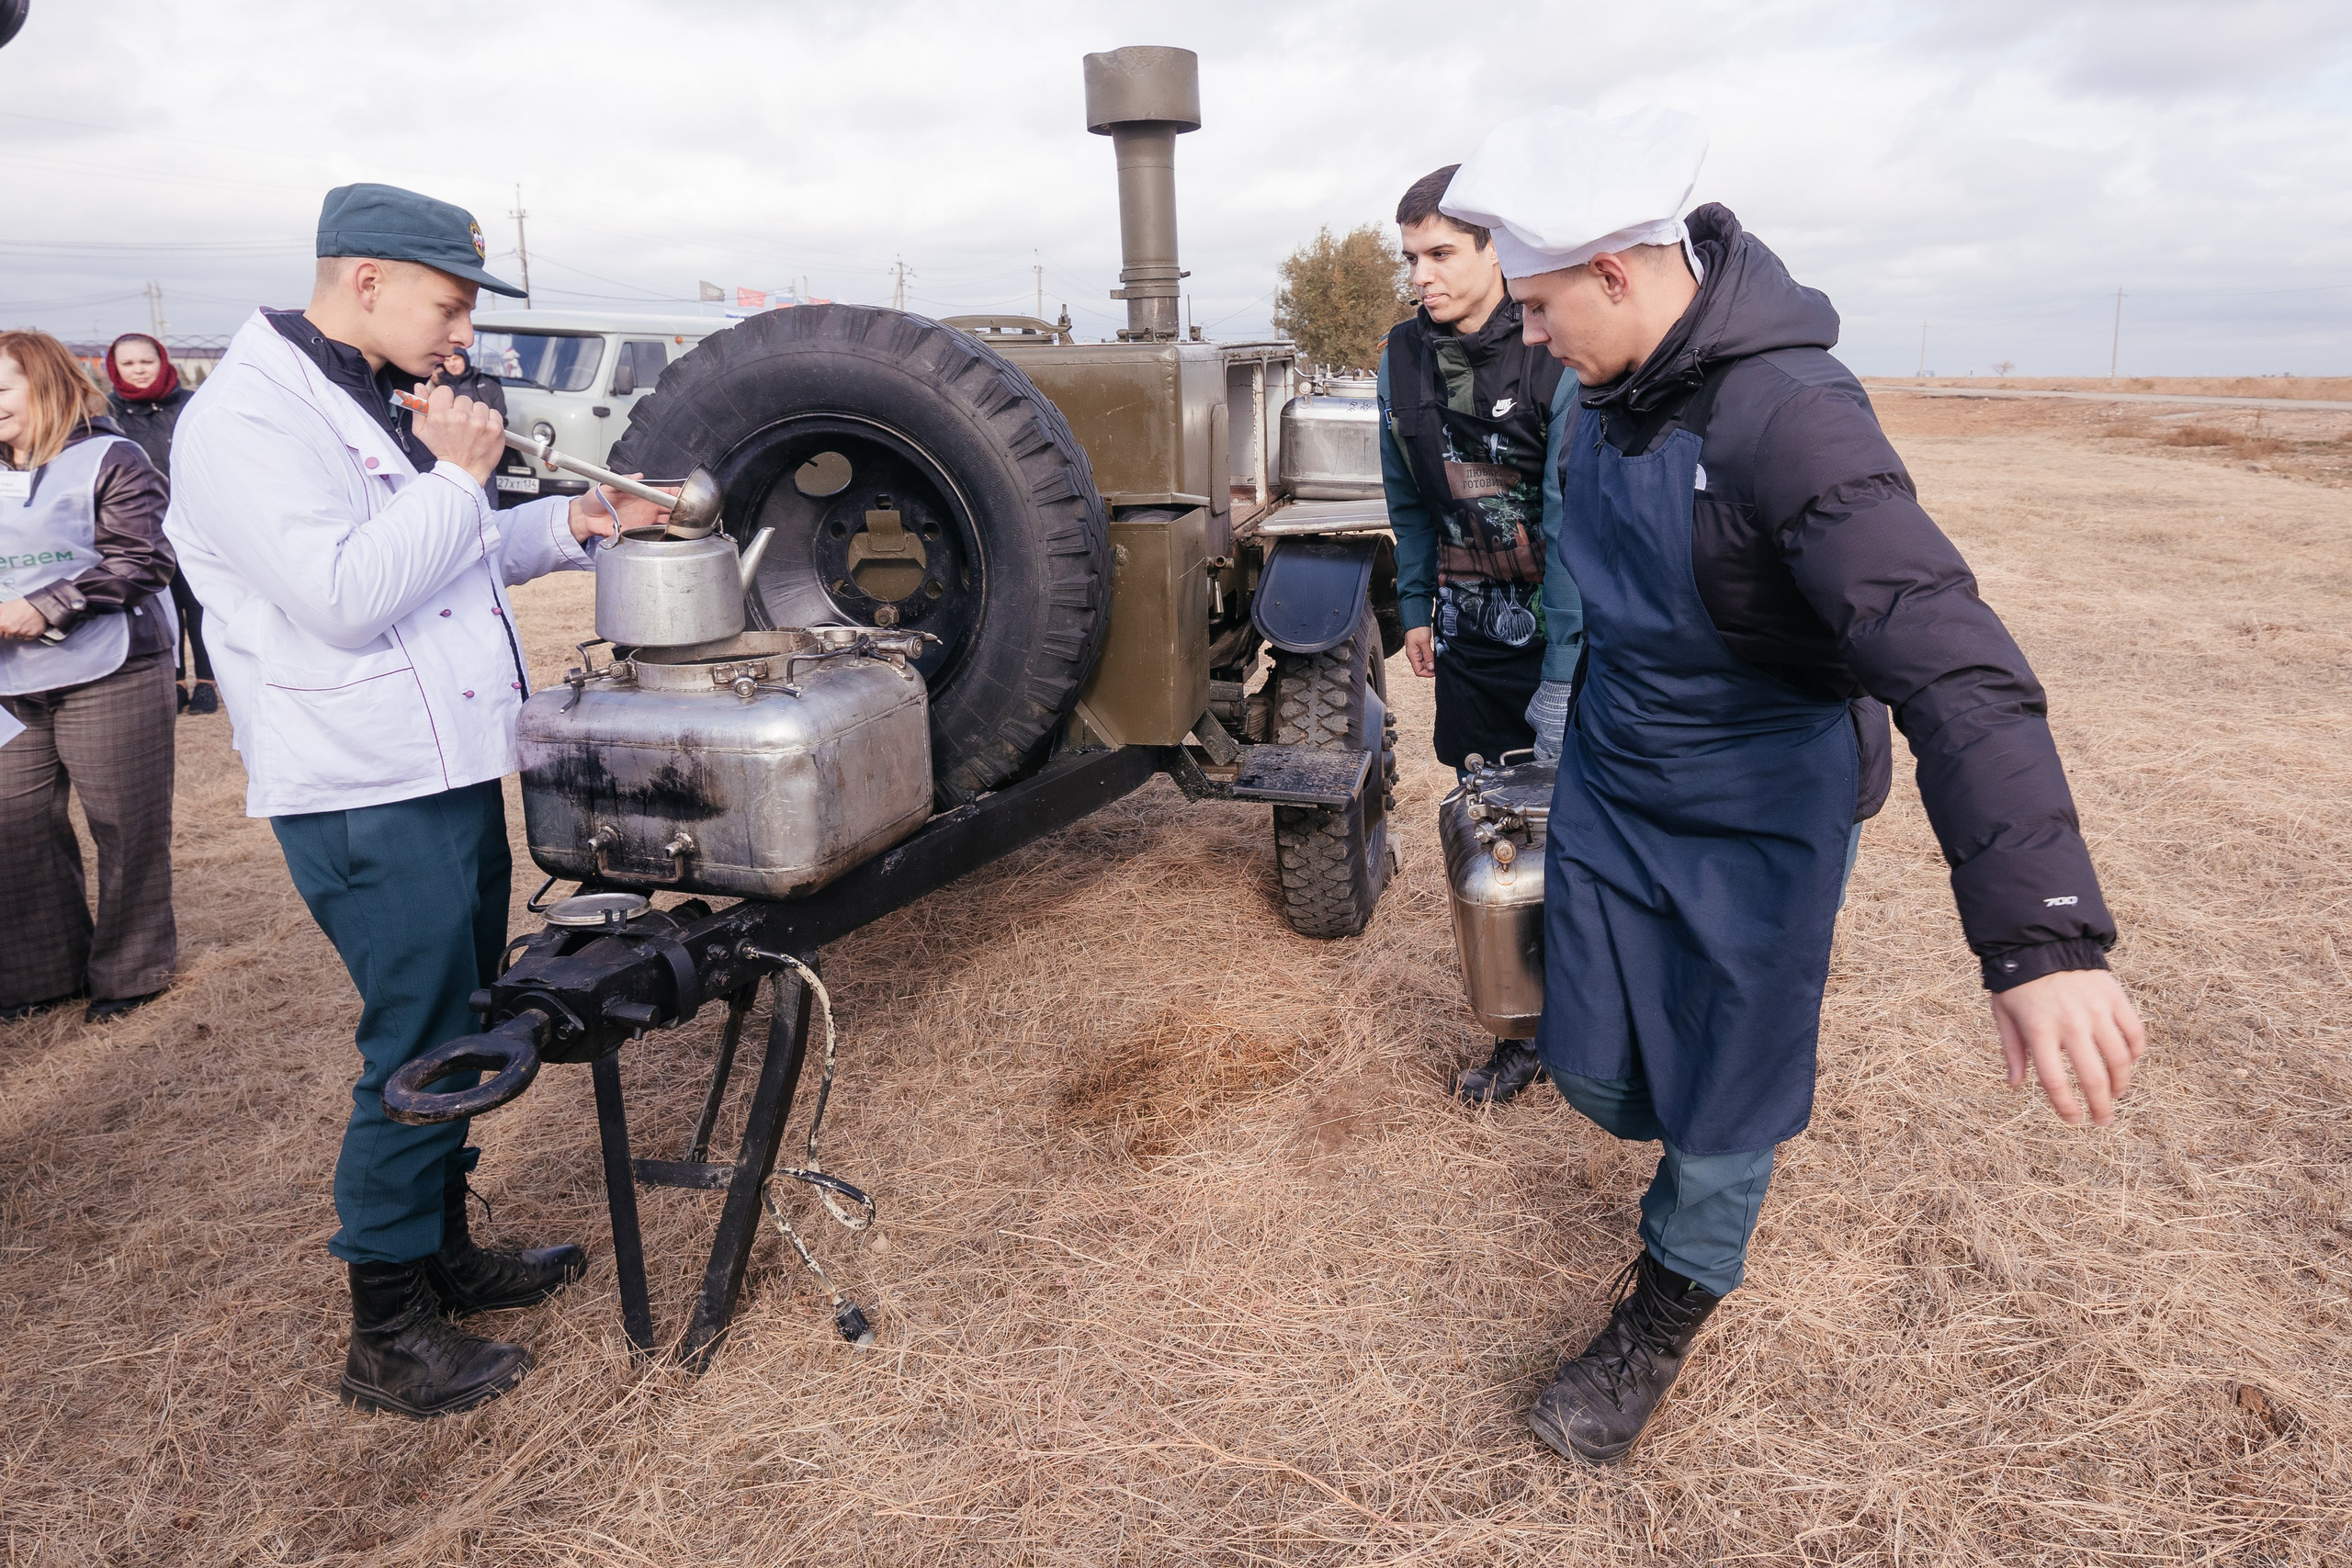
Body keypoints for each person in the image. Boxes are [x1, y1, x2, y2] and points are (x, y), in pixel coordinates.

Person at [1438, 108, 2148, 1466]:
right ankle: (1679, 1163)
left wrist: (2044, 932)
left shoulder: (1796, 419)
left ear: (1615, 275)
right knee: (1596, 1053)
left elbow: (1958, 665)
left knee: (1727, 1076)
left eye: (1535, 306)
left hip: (1757, 816)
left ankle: (1671, 1296)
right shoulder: (1598, 400)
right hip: (1619, 779)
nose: (1525, 338)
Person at [164, 183, 673, 1419]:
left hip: (438, 765)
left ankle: (442, 1249)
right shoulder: (244, 418)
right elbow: (345, 592)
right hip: (363, 785)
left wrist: (577, 520)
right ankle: (387, 1325)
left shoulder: (353, 390)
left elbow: (454, 551)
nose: (461, 331)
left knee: (466, 1010)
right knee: (420, 1041)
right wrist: (455, 478)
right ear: (370, 279)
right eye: (449, 302)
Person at [1378, 165, 1580, 1106]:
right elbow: (1407, 493)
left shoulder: (1552, 344)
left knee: (1586, 829)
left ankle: (1601, 1022)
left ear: (1496, 249)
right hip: (1466, 628)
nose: (1423, 275)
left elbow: (1581, 518)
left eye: (1443, 254)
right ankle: (1518, 1032)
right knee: (1496, 832)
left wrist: (1571, 670)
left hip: (1565, 637)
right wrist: (1415, 606)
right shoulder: (1401, 355)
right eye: (1411, 256)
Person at [0, 330, 181, 1024]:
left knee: (124, 825)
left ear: (44, 384)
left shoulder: (112, 457)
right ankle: (41, 972)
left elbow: (143, 560)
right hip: (10, 679)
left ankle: (131, 972)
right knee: (14, 824)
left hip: (111, 669)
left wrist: (47, 604)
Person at [103, 333, 215, 716]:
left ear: (163, 361)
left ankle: (207, 681)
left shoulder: (192, 403)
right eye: (128, 364)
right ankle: (174, 680)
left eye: (145, 362)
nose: (138, 370)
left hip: (196, 522)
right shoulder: (107, 413)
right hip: (140, 528)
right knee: (160, 606)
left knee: (200, 604)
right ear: (114, 369)